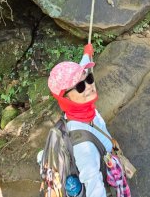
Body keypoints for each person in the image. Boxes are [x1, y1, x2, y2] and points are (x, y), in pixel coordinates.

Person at [47, 43, 113, 197]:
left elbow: (83, 68)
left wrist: (87, 53)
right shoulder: (84, 147)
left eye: (89, 78)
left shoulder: (82, 110)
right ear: (65, 98)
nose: (89, 86)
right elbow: (94, 187)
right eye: (80, 87)